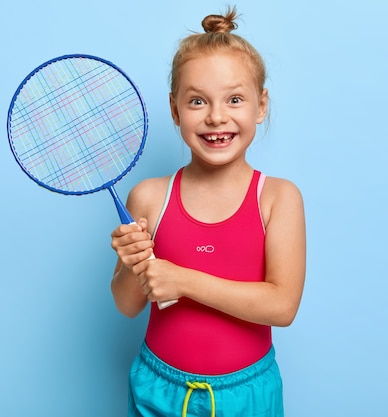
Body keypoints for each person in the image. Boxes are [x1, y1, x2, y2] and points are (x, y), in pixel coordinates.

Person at [109, 6, 306, 417]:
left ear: (261, 105)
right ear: (175, 109)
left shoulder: (278, 198)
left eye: (235, 99)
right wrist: (132, 264)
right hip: (159, 389)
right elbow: (127, 305)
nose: (217, 117)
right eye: (197, 101)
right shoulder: (148, 197)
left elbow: (282, 306)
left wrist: (183, 279)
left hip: (247, 393)